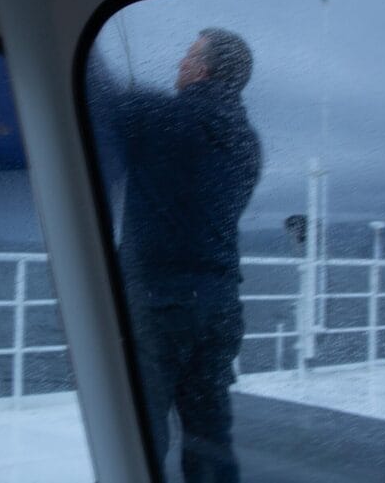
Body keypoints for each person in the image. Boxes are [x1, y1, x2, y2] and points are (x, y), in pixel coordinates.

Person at [88, 27, 262, 482]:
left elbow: (96, 104)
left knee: (140, 430)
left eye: (187, 56)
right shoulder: (249, 144)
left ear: (202, 69)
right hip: (220, 305)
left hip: (159, 302)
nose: (179, 64)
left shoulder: (161, 117)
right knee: (209, 432)